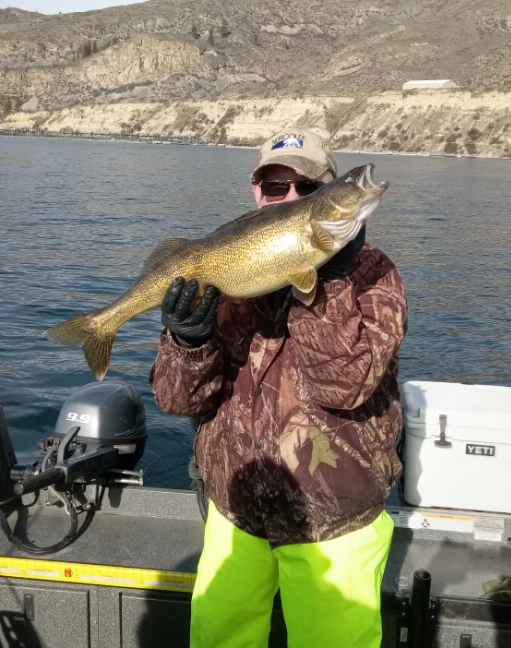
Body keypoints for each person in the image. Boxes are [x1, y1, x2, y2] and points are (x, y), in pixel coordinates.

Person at [150, 127, 407, 648]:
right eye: (274, 186)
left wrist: (328, 283)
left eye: (307, 186)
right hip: (234, 512)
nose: (289, 196)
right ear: (256, 193)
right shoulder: (222, 269)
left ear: (327, 188)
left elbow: (344, 386)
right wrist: (187, 342)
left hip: (332, 522)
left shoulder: (374, 276)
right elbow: (176, 400)